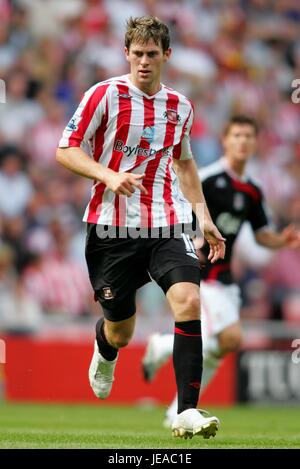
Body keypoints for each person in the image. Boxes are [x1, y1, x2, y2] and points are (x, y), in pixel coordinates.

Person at [56, 16, 226, 440]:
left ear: (167, 55)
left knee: (188, 300)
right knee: (122, 329)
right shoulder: (104, 95)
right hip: (111, 229)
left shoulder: (180, 106)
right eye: (137, 54)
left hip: (167, 223)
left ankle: (186, 410)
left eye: (152, 54)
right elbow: (65, 150)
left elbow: (185, 162)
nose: (144, 62)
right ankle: (106, 346)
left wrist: (204, 219)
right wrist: (107, 175)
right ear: (126, 54)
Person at [142, 115, 300, 426]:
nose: (242, 141)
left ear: (255, 143)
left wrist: (282, 240)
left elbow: (260, 233)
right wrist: (192, 240)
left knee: (224, 343)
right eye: (236, 135)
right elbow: (179, 206)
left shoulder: (252, 190)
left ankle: (169, 376)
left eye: (248, 136)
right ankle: (175, 396)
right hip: (202, 272)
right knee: (230, 337)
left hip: (225, 276)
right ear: (225, 140)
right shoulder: (210, 179)